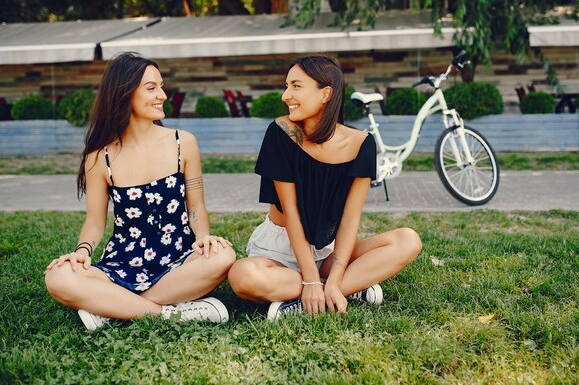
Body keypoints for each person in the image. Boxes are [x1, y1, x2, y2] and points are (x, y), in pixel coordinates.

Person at [44, 52, 236, 330]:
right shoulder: (99, 159)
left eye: (161, 86)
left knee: (223, 256)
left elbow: (195, 207)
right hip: (123, 263)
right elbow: (95, 222)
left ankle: (113, 308)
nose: (163, 96)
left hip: (180, 260)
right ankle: (168, 313)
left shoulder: (184, 143)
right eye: (151, 88)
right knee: (58, 277)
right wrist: (82, 252)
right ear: (125, 94)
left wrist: (204, 237)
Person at [228, 55, 422, 320]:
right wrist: (309, 280)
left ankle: (326, 291)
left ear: (325, 94)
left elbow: (350, 220)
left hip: (327, 252)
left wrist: (336, 274)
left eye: (296, 86)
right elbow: (292, 213)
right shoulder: (282, 132)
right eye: (286, 86)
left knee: (407, 240)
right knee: (242, 276)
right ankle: (345, 289)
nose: (286, 95)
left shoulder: (361, 144)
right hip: (280, 252)